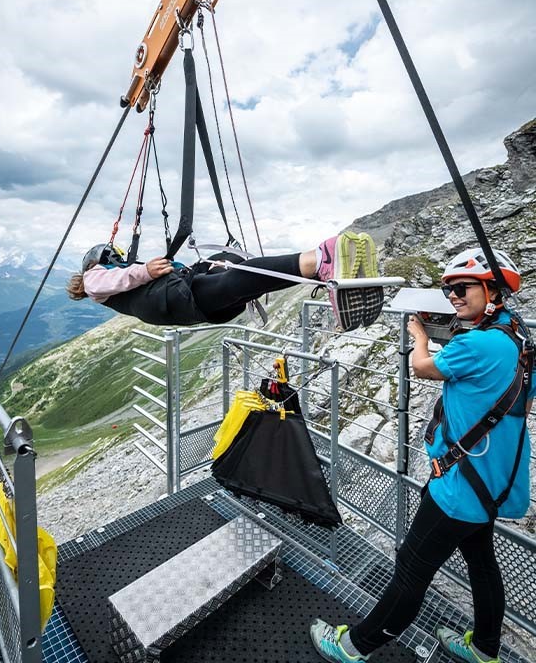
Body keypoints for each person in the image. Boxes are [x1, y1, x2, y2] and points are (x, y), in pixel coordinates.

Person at [310, 247, 534, 663]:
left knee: (412, 566)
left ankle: (354, 646)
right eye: (449, 290)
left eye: (464, 288)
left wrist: (419, 336)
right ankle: (485, 650)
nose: (453, 297)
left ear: (494, 292)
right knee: (482, 564)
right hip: (491, 481)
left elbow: (424, 367)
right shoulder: (519, 340)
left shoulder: (481, 344)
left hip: (458, 485)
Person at [66, 232, 383, 331]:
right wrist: (146, 271)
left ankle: (319, 262)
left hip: (180, 298)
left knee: (243, 280)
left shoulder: (112, 285)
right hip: (179, 297)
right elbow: (117, 278)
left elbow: (128, 277)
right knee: (242, 280)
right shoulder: (95, 279)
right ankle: (323, 258)